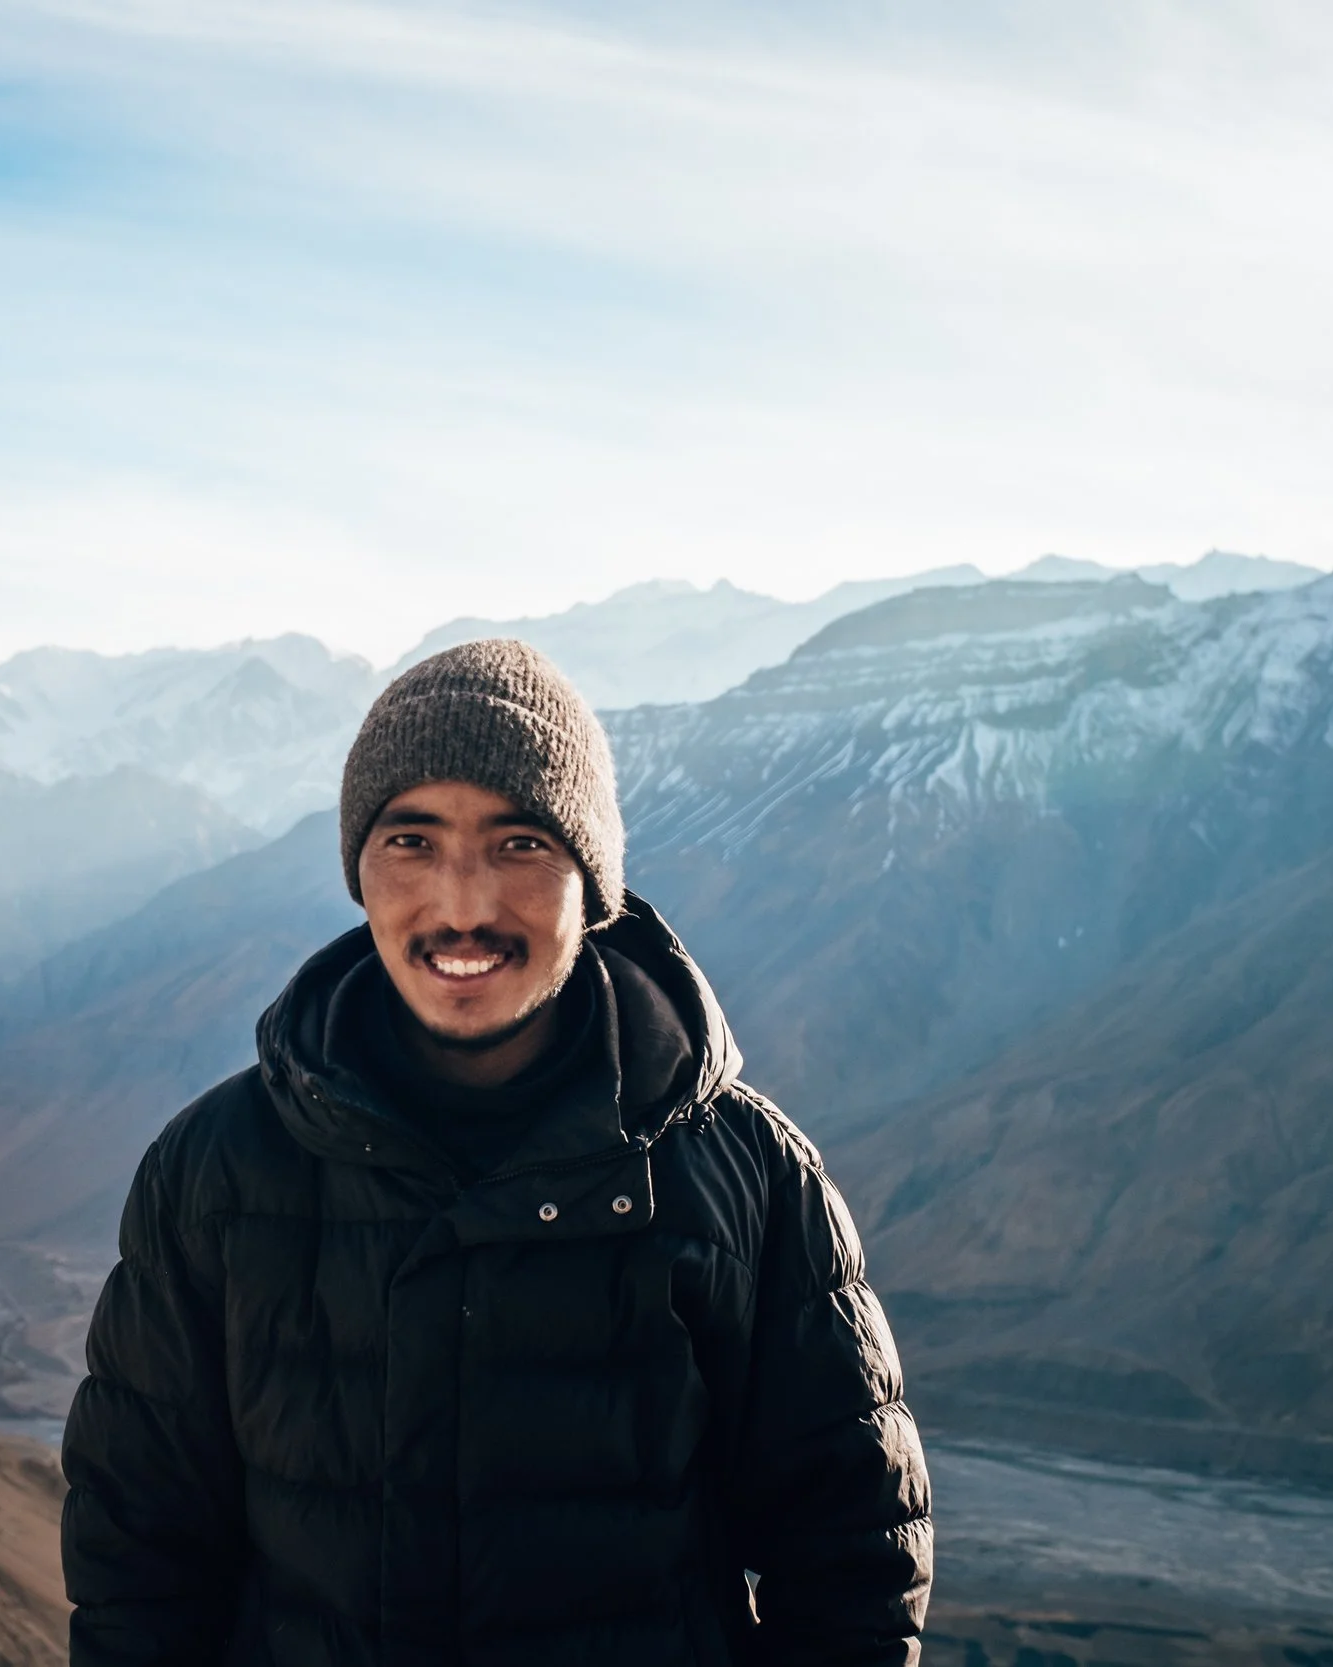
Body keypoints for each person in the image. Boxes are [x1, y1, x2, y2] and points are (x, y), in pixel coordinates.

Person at [62, 638, 932, 1666]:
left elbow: (850, 1558)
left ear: (591, 880)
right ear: (358, 871)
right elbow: (141, 1560)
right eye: (410, 841)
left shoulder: (742, 1175)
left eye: (520, 842)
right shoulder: (217, 1171)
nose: (462, 904)